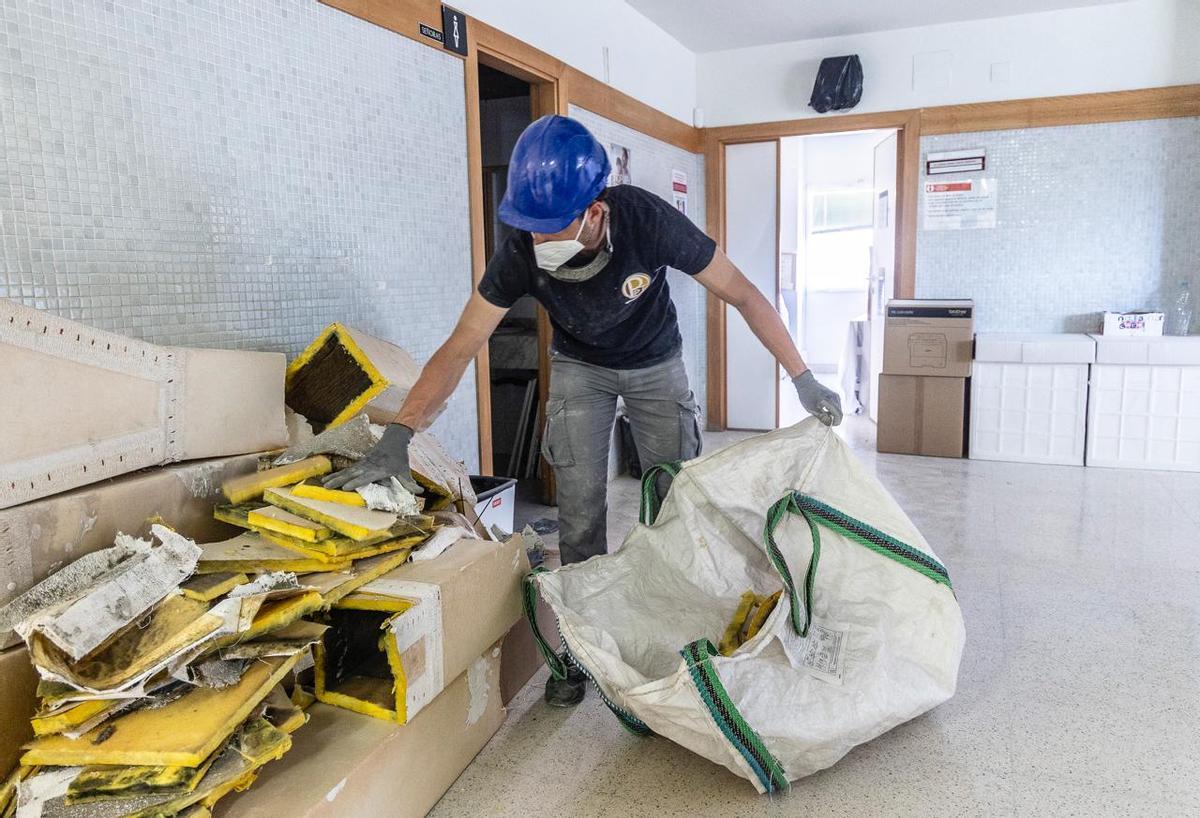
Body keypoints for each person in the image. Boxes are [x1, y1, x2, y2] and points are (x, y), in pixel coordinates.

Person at [325, 115, 842, 707]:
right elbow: (462, 344)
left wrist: (800, 377)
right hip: (578, 367)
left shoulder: (649, 221)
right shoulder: (519, 252)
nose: (540, 243)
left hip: (655, 361)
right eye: (531, 230)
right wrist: (400, 434)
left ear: (596, 211)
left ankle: (678, 628)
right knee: (577, 513)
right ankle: (578, 643)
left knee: (677, 499)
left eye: (552, 229)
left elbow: (744, 293)